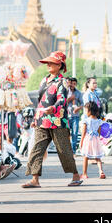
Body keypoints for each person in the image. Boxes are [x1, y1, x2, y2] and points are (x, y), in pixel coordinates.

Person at [22, 51, 82, 189]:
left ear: (59, 64)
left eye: (52, 62)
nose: (48, 64)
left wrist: (53, 108)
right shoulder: (44, 80)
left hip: (58, 120)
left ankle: (75, 176)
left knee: (64, 149)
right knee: (37, 148)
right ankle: (34, 179)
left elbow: (62, 100)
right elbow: (40, 100)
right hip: (41, 119)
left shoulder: (63, 82)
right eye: (47, 62)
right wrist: (35, 118)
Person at [79, 101, 106, 180]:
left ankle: (84, 174)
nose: (85, 112)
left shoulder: (86, 121)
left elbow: (83, 133)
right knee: (98, 157)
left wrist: (81, 142)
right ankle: (101, 171)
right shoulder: (99, 121)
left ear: (89, 111)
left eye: (86, 110)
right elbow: (99, 133)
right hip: (96, 140)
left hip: (88, 139)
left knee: (86, 157)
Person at [67, 77, 84, 154]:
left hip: (75, 116)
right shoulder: (66, 92)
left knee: (75, 133)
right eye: (71, 83)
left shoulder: (78, 93)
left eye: (74, 84)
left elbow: (82, 104)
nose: (72, 85)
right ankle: (67, 151)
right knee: (66, 134)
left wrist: (78, 108)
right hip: (66, 116)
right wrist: (70, 98)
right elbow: (63, 103)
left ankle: (73, 151)